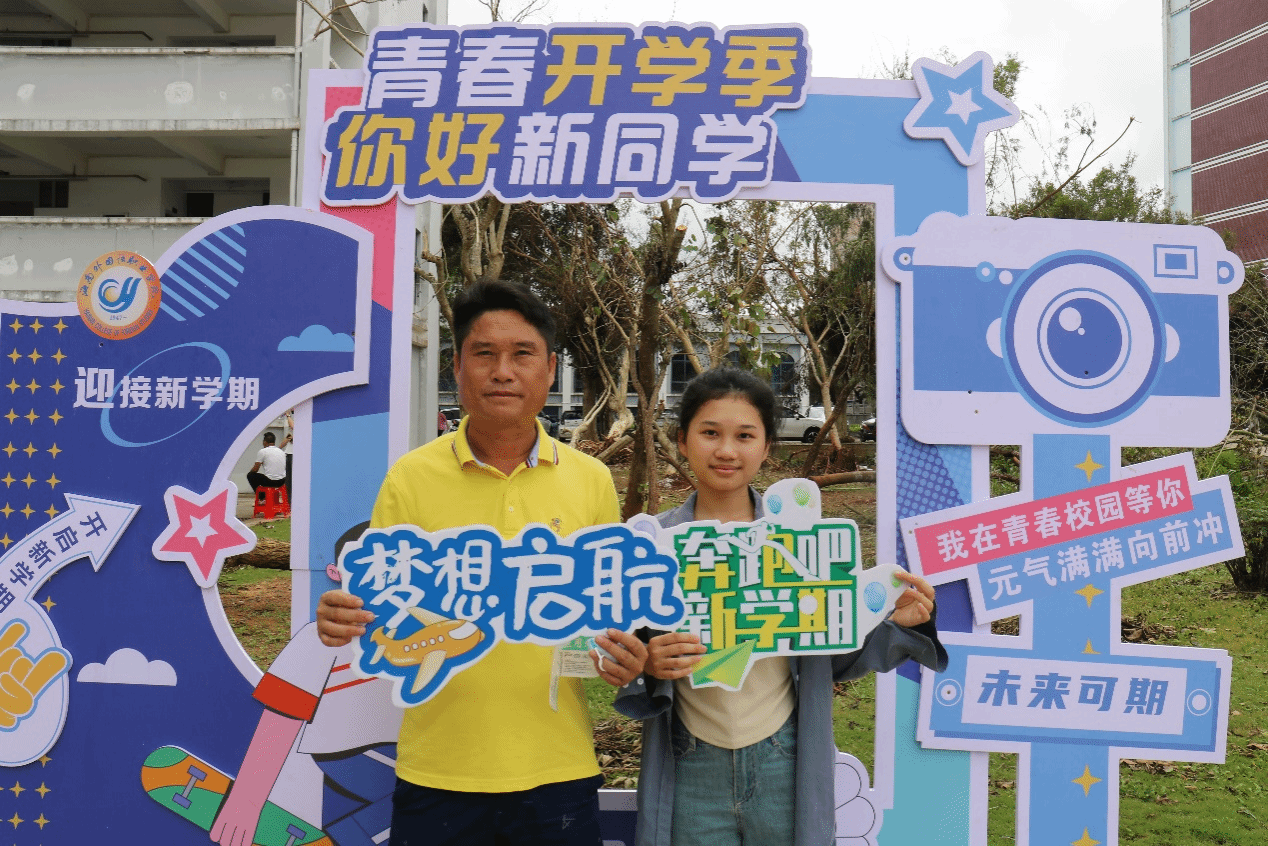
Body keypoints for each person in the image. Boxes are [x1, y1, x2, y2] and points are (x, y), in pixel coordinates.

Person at [316, 279, 648, 846]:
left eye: (522, 354)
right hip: (437, 774)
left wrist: (622, 654)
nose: (503, 372)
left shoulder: (590, 481)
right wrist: (342, 617)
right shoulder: (410, 478)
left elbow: (604, 615)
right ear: (458, 367)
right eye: (484, 354)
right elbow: (379, 606)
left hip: (558, 771)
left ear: (550, 370)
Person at [615, 368, 948, 846]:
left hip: (784, 758)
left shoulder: (802, 540)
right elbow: (617, 651)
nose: (726, 450)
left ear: (766, 447)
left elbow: (833, 652)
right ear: (682, 441)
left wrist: (894, 624)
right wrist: (647, 663)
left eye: (744, 436)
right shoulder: (652, 545)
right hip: (689, 760)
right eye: (710, 433)